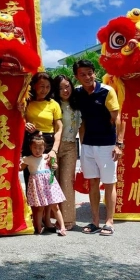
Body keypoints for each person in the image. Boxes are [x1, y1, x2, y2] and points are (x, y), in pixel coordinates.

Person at [73, 59, 124, 236]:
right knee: (93, 183)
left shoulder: (106, 91)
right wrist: (82, 145)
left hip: (107, 145)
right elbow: (80, 119)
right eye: (82, 74)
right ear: (76, 77)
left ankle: (109, 221)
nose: (87, 77)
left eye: (90, 73)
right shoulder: (77, 93)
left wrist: (119, 144)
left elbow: (118, 119)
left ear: (95, 73)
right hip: (87, 145)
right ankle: (95, 221)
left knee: (109, 183)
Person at [21, 72, 62, 229]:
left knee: (49, 182)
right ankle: (32, 218)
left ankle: (47, 219)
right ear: (34, 86)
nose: (44, 90)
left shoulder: (53, 104)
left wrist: (54, 150)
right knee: (32, 181)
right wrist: (24, 124)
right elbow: (18, 117)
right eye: (41, 86)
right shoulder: (27, 102)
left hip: (49, 144)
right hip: (30, 143)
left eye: (47, 87)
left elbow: (59, 128)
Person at [21, 131, 66, 236]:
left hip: (49, 186)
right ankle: (39, 226)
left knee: (55, 206)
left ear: (44, 148)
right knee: (40, 208)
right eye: (35, 148)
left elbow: (54, 165)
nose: (37, 151)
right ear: (30, 147)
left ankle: (62, 226)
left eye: (40, 148)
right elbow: (19, 168)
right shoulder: (27, 159)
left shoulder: (47, 157)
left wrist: (54, 166)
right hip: (38, 187)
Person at [52, 74, 81, 231]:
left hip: (70, 146)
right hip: (53, 147)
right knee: (52, 182)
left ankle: (68, 220)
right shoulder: (52, 104)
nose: (65, 90)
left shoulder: (77, 104)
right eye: (61, 87)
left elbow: (82, 128)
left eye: (67, 86)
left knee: (67, 183)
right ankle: (51, 219)